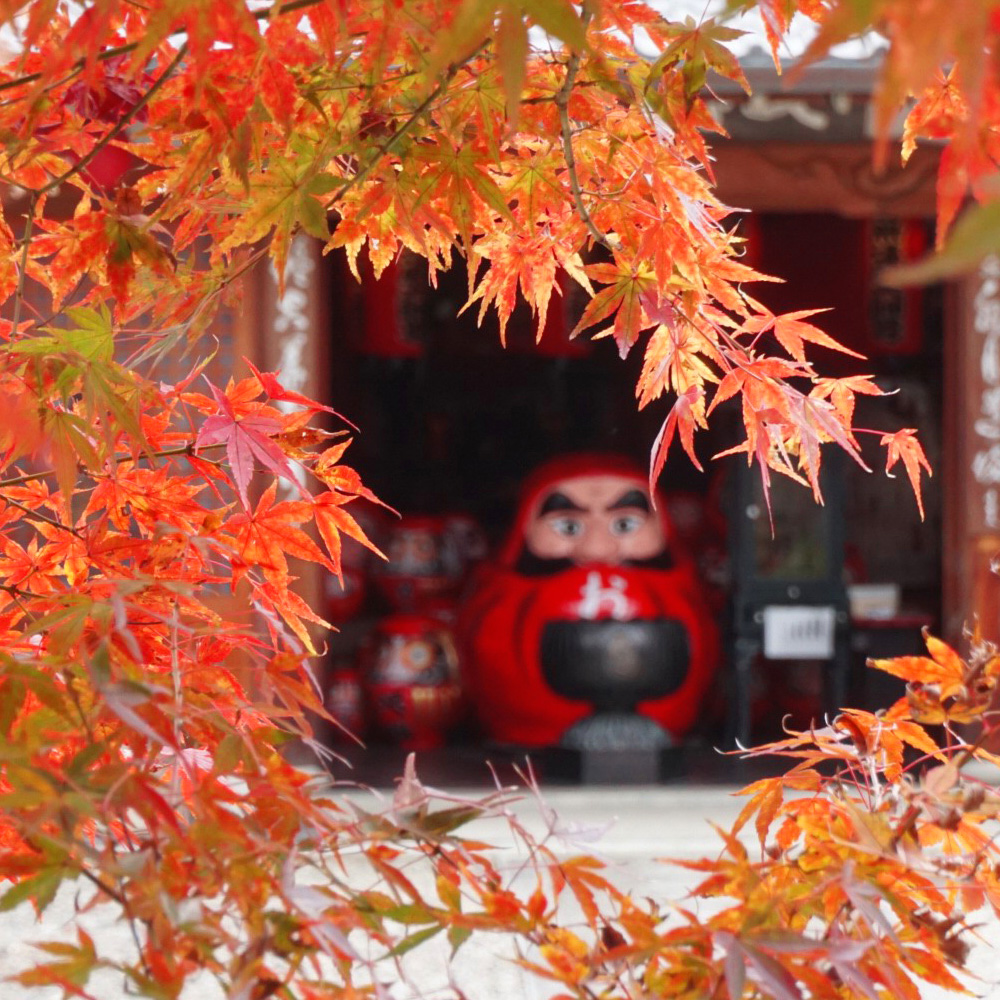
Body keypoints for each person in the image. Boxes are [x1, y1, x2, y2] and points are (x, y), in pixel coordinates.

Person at [456, 453, 719, 747]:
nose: (597, 549)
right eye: (568, 526)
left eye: (625, 525)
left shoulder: (676, 589)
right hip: (525, 739)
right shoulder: (506, 595)